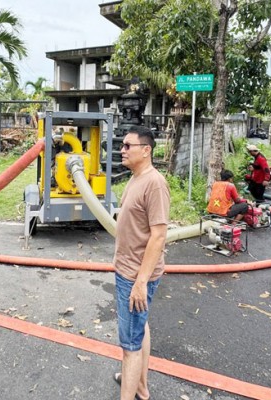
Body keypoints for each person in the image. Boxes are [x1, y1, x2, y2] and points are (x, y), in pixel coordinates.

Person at [112, 126, 170, 400]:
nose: (122, 150)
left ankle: (132, 389)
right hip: (128, 270)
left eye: (127, 146)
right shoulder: (136, 177)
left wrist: (140, 282)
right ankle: (140, 386)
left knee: (129, 346)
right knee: (140, 327)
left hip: (135, 276)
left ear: (145, 150)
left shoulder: (155, 183)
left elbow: (159, 236)